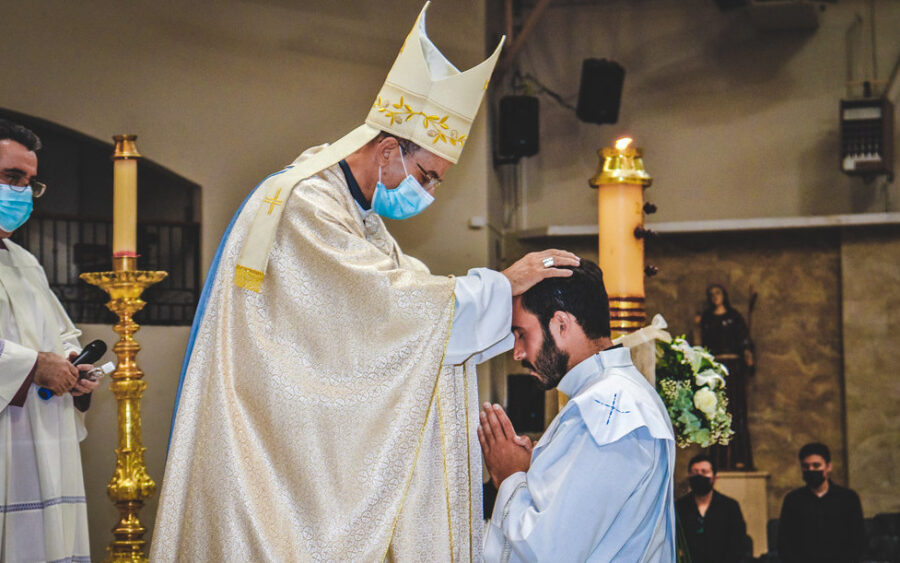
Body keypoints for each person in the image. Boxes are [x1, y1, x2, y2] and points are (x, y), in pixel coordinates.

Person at [151, 5, 578, 560]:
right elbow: (389, 312)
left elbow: (405, 295)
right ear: (386, 150)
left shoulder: (359, 218)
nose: (427, 193)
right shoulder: (306, 203)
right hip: (269, 444)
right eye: (426, 176)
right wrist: (501, 284)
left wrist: (498, 302)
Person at [478, 260, 676, 561]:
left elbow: (548, 550)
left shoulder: (607, 409)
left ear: (560, 324)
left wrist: (509, 475)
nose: (518, 352)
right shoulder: (615, 393)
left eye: (521, 334)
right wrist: (538, 472)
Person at [0, 119, 99, 561]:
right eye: (11, 177)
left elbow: (60, 335)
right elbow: (37, 357)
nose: (22, 192)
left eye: (29, 182)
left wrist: (74, 364)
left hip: (43, 440)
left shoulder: (24, 262)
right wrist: (33, 366)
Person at [696, 283, 755, 470]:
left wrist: (747, 353)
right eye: (711, 294)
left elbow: (744, 339)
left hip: (733, 369)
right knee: (716, 413)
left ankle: (740, 458)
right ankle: (718, 459)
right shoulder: (706, 319)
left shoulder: (734, 317)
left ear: (724, 295)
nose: (715, 297)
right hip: (715, 370)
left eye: (718, 293)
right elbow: (700, 343)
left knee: (737, 412)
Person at [777, 442, 866, 563]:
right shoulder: (793, 500)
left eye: (816, 465)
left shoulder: (848, 499)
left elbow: (858, 541)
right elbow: (785, 543)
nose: (811, 470)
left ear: (828, 467)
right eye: (806, 466)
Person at [675, 454, 749, 563]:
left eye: (704, 472)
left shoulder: (730, 507)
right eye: (695, 472)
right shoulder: (679, 507)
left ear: (715, 478)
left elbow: (738, 544)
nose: (699, 476)